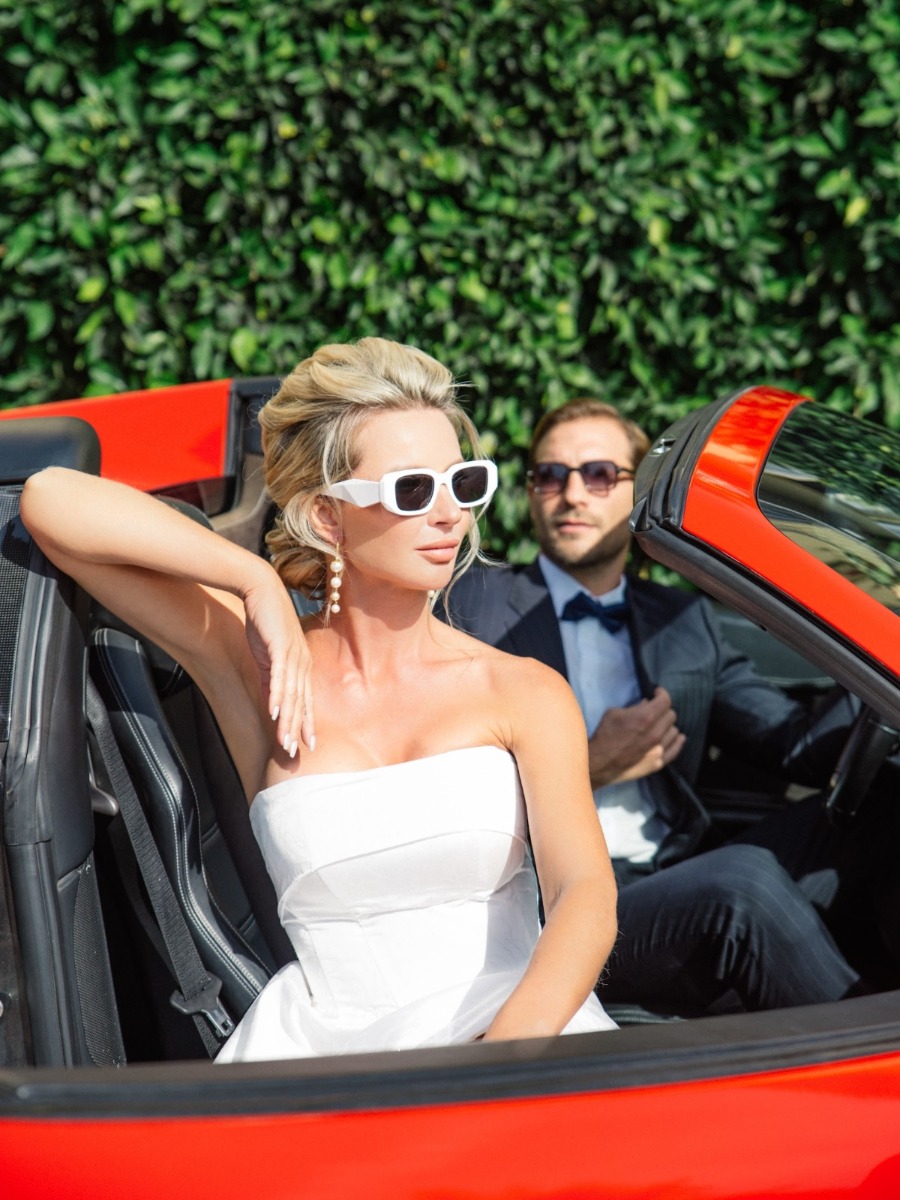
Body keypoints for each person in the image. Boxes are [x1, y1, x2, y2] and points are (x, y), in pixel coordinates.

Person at [20, 339, 618, 1061]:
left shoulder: (523, 689)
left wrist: (496, 1066)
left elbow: (585, 896)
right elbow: (50, 498)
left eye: (461, 483)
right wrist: (254, 580)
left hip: (518, 1035)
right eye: (411, 490)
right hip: (321, 1055)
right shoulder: (257, 667)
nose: (449, 515)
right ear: (328, 519)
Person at [444, 397, 884, 1014]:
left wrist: (873, 655)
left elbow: (793, 745)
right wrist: (590, 764)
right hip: (553, 900)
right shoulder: (474, 607)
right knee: (743, 887)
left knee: (872, 809)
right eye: (550, 475)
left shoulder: (682, 621)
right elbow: (434, 790)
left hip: (675, 864)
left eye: (598, 474)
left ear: (637, 490)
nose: (572, 493)